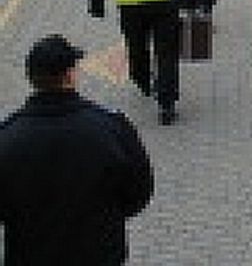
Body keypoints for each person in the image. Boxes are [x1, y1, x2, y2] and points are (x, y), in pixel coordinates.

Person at [0, 34, 154, 264]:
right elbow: (139, 192)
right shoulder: (111, 127)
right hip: (99, 253)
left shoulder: (8, 137)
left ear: (32, 79)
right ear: (70, 75)